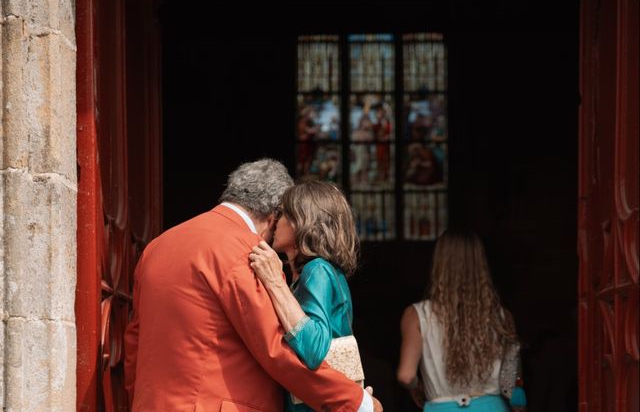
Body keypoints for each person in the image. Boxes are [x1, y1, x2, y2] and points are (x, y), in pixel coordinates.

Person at [124, 159, 382, 412]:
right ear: (273, 215)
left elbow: (134, 341)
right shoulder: (245, 250)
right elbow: (276, 348)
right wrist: (356, 403)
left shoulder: (157, 247)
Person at [249, 181, 362, 412]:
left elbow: (314, 348)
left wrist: (272, 282)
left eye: (281, 214)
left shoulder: (317, 270)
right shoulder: (322, 272)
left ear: (301, 221)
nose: (274, 221)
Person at [397, 230, 522, 411]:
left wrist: (417, 387)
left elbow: (406, 375)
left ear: (439, 264)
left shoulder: (417, 315)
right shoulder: (501, 317)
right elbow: (510, 381)